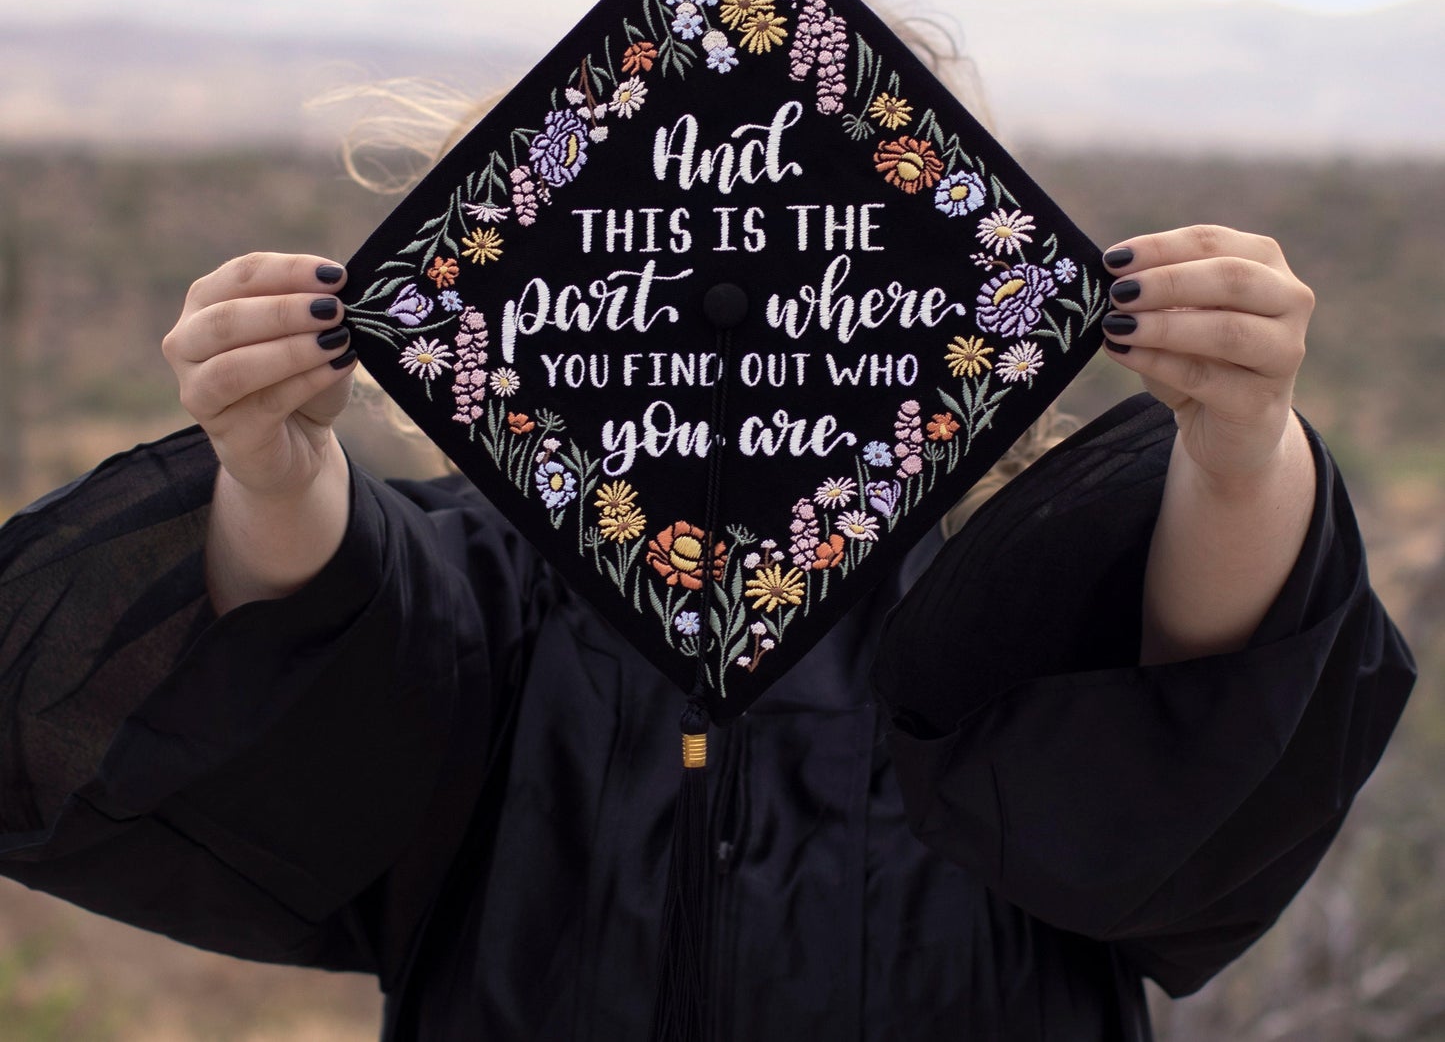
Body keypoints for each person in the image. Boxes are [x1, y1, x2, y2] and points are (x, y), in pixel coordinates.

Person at [0, 83, 1415, 1040]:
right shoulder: (506, 596)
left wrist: (1241, 446)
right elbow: (345, 625)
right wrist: (277, 469)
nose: (741, 313)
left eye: (818, 247)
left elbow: (1202, 672)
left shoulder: (993, 608)